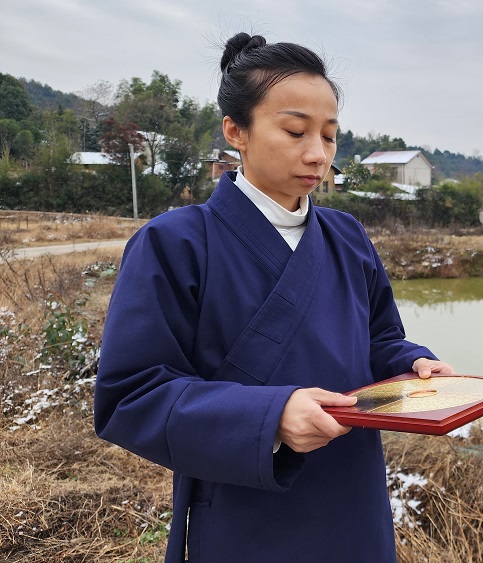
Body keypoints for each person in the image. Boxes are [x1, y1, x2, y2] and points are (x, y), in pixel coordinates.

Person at [94, 32, 454, 563]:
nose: (318, 154)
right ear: (236, 131)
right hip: (245, 507)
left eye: (331, 137)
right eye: (294, 131)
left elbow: (378, 340)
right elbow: (130, 396)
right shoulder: (173, 243)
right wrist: (270, 416)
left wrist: (414, 364)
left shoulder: (348, 236)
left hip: (354, 500)